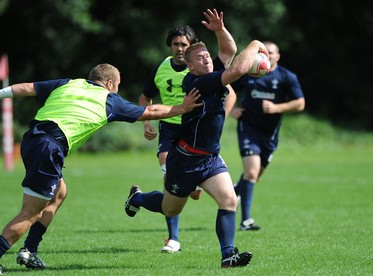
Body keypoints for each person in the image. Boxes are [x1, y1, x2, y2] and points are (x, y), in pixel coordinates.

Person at [0, 63, 202, 274]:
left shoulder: (69, 83)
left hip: (32, 140)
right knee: (31, 211)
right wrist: (183, 107)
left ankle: (29, 251)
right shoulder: (109, 99)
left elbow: (28, 87)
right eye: (118, 85)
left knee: (59, 193)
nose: (117, 89)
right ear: (110, 83)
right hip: (50, 146)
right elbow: (150, 112)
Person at [124, 35, 270, 267]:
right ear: (190, 66)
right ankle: (138, 198)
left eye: (207, 56)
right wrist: (255, 44)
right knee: (169, 208)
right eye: (200, 58)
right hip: (185, 160)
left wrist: (220, 29)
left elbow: (228, 51)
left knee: (229, 200)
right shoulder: (199, 83)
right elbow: (240, 68)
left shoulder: (211, 74)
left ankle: (228, 255)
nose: (206, 60)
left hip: (210, 158)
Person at [139, 8, 237, 253]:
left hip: (197, 134)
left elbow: (230, 83)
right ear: (170, 46)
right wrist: (147, 123)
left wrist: (218, 114)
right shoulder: (164, 69)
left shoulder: (205, 67)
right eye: (175, 44)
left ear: (192, 46)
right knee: (169, 184)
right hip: (171, 130)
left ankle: (227, 253)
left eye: (184, 44)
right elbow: (145, 97)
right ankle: (173, 238)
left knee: (195, 197)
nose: (179, 48)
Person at [230, 41, 305, 231]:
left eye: (271, 52)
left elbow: (300, 103)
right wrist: (231, 109)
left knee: (254, 176)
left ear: (277, 56)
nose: (267, 55)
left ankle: (233, 192)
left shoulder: (286, 77)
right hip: (248, 129)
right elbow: (225, 87)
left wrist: (276, 108)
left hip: (270, 135)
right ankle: (246, 221)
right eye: (264, 52)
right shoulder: (248, 74)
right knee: (252, 172)